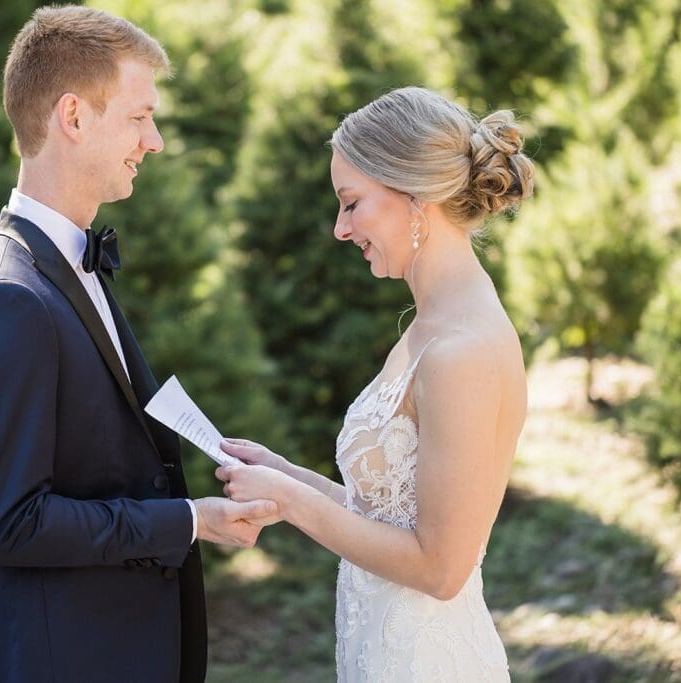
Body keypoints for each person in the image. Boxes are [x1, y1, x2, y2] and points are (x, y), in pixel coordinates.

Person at [0, 6, 277, 682]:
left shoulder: (63, 265)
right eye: (139, 116)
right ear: (73, 116)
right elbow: (12, 524)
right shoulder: (6, 297)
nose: (155, 141)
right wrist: (187, 520)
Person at [217, 86, 535, 681]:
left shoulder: (460, 349)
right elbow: (391, 519)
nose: (340, 228)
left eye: (351, 203)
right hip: (383, 653)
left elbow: (441, 569)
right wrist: (286, 474)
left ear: (415, 198)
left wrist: (293, 502)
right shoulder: (431, 323)